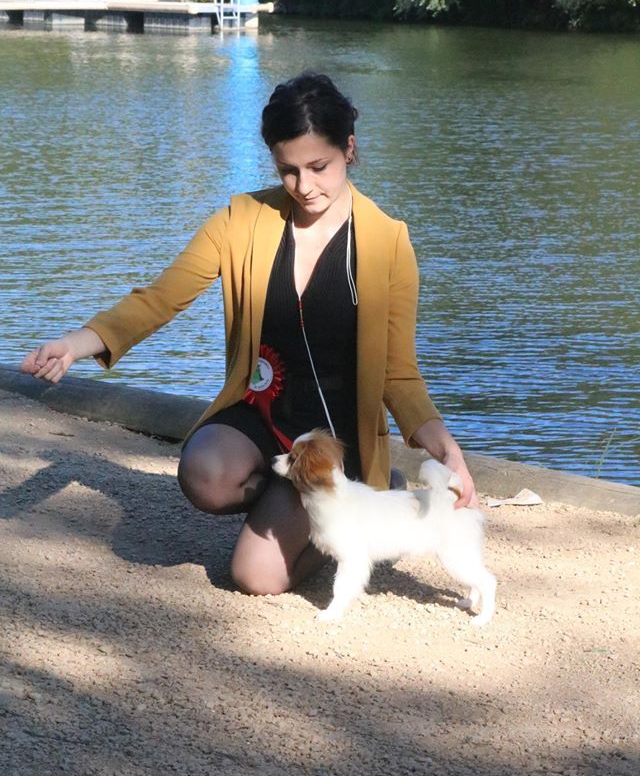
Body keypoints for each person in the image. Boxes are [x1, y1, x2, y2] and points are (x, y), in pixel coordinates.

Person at [20, 73, 478, 597]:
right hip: (261, 415)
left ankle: (365, 497)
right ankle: (296, 499)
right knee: (205, 473)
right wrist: (76, 344)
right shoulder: (242, 219)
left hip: (333, 440)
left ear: (349, 149)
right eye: (288, 170)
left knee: (254, 577)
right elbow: (162, 297)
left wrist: (446, 449)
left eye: (319, 167)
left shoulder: (389, 243)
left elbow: (399, 373)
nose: (304, 186)